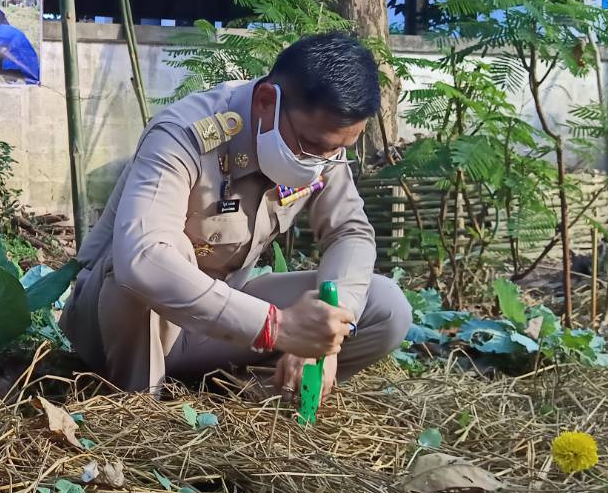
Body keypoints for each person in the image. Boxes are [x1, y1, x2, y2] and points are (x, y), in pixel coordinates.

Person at [58, 32, 410, 396]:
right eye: (311, 146)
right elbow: (142, 259)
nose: (319, 164)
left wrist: (328, 330)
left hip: (221, 323)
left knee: (386, 305)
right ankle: (141, 405)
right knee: (159, 252)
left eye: (338, 151)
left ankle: (248, 394)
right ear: (264, 101)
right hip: (122, 327)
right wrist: (279, 327)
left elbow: (349, 233)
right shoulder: (183, 134)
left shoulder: (322, 149)